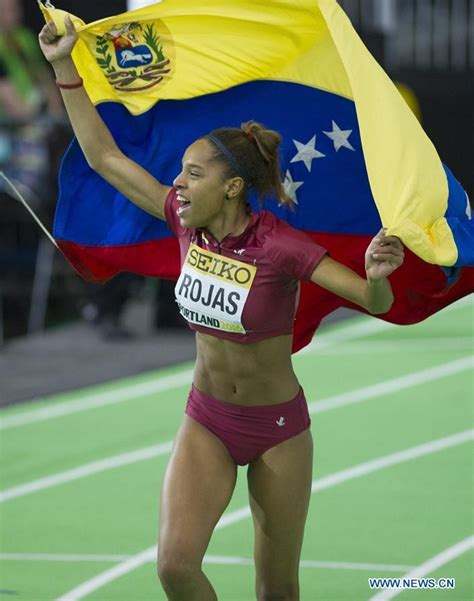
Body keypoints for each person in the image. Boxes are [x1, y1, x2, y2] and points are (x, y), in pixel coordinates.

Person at [38, 16, 404, 601]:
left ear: (232, 187)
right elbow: (105, 158)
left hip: (279, 428)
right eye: (180, 173)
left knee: (277, 589)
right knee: (175, 566)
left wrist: (378, 275)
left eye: (193, 174)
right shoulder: (183, 225)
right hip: (206, 418)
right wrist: (64, 67)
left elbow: (370, 298)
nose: (177, 185)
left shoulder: (283, 246)